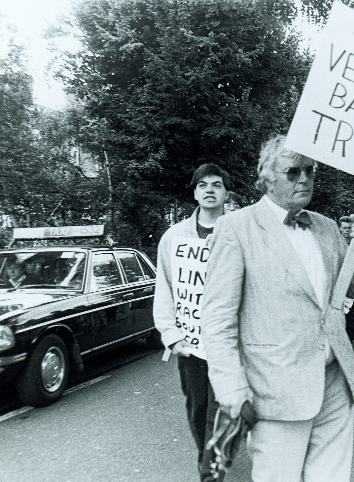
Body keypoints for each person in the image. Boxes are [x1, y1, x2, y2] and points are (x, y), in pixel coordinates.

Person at [200, 133, 354, 481]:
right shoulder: (235, 228)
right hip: (274, 389)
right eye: (293, 171)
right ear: (266, 177)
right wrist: (232, 389)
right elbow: (218, 319)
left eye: (310, 171)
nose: (304, 179)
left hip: (334, 382)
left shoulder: (326, 228)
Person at [153, 163, 232, 482]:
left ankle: (211, 471)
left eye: (216, 184)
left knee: (225, 410)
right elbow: (165, 288)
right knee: (199, 411)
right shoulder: (173, 238)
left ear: (226, 193)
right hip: (191, 346)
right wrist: (172, 337)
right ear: (195, 192)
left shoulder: (239, 233)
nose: (209, 189)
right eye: (202, 185)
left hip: (229, 345)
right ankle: (208, 456)